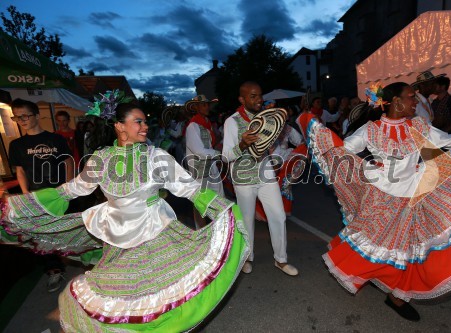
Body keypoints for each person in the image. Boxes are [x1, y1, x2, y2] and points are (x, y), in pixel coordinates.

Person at [1, 93, 249, 332]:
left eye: (144, 122)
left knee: (163, 296)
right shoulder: (101, 159)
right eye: (138, 122)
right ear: (119, 126)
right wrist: (27, 205)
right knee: (119, 300)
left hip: (155, 232)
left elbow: (190, 189)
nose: (145, 127)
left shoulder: (156, 156)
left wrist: (222, 207)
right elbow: (72, 189)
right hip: (117, 238)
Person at [296, 82, 451, 321]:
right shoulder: (370, 131)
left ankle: (399, 296)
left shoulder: (419, 126)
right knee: (375, 245)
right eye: (412, 97)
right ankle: (388, 286)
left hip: (416, 194)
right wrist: (318, 135)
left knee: (413, 248)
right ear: (396, 102)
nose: (417, 102)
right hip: (382, 197)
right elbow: (342, 152)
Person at [222, 81, 299, 276]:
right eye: (253, 96)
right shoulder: (232, 121)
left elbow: (269, 145)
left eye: (260, 95)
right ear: (242, 99)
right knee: (247, 221)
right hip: (243, 178)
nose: (259, 100)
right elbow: (226, 156)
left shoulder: (265, 118)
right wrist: (242, 143)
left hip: (265, 175)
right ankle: (248, 257)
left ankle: (281, 260)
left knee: (279, 216)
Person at [8, 99, 74, 293]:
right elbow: (19, 171)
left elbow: (68, 163)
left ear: (37, 116)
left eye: (25, 115)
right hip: (36, 197)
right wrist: (26, 194)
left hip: (57, 194)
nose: (21, 120)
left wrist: (68, 188)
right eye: (17, 117)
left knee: (62, 232)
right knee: (42, 235)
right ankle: (54, 269)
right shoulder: (17, 145)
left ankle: (70, 258)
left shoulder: (56, 139)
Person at [184, 95, 225, 229]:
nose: (206, 107)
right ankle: (200, 232)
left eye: (207, 104)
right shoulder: (192, 126)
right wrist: (220, 154)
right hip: (199, 169)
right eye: (203, 105)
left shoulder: (207, 124)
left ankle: (219, 229)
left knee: (218, 198)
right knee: (200, 203)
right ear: (195, 107)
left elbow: (209, 146)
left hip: (211, 166)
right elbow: (199, 151)